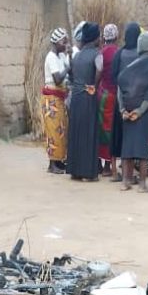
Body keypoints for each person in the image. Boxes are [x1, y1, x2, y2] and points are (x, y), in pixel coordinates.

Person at [118, 31, 148, 192]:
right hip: (143, 113)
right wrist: (140, 110)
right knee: (143, 149)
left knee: (127, 148)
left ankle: (125, 181)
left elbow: (120, 86)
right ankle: (142, 184)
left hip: (127, 112)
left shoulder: (129, 67)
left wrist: (123, 109)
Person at [67, 22, 102, 181]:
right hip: (88, 96)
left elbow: (72, 75)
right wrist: (94, 85)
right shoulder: (96, 53)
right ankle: (88, 173)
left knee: (76, 131)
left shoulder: (77, 55)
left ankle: (74, 170)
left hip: (76, 97)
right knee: (89, 132)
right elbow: (100, 69)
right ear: (95, 38)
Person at [110, 22, 141, 182]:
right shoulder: (141, 54)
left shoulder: (119, 53)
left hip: (120, 99)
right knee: (132, 137)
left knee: (118, 134)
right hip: (137, 101)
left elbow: (113, 77)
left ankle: (115, 171)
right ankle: (132, 173)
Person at [42, 28, 70, 174]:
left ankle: (58, 161)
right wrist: (68, 68)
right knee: (52, 130)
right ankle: (52, 164)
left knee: (60, 130)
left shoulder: (60, 56)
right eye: (64, 41)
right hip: (51, 99)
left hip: (59, 98)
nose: (65, 44)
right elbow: (58, 79)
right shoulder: (51, 57)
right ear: (57, 42)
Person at [97, 24, 119, 177]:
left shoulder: (101, 53)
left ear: (104, 37)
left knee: (101, 129)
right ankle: (108, 165)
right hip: (114, 95)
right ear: (116, 37)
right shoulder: (118, 53)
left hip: (101, 94)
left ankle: (100, 164)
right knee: (110, 129)